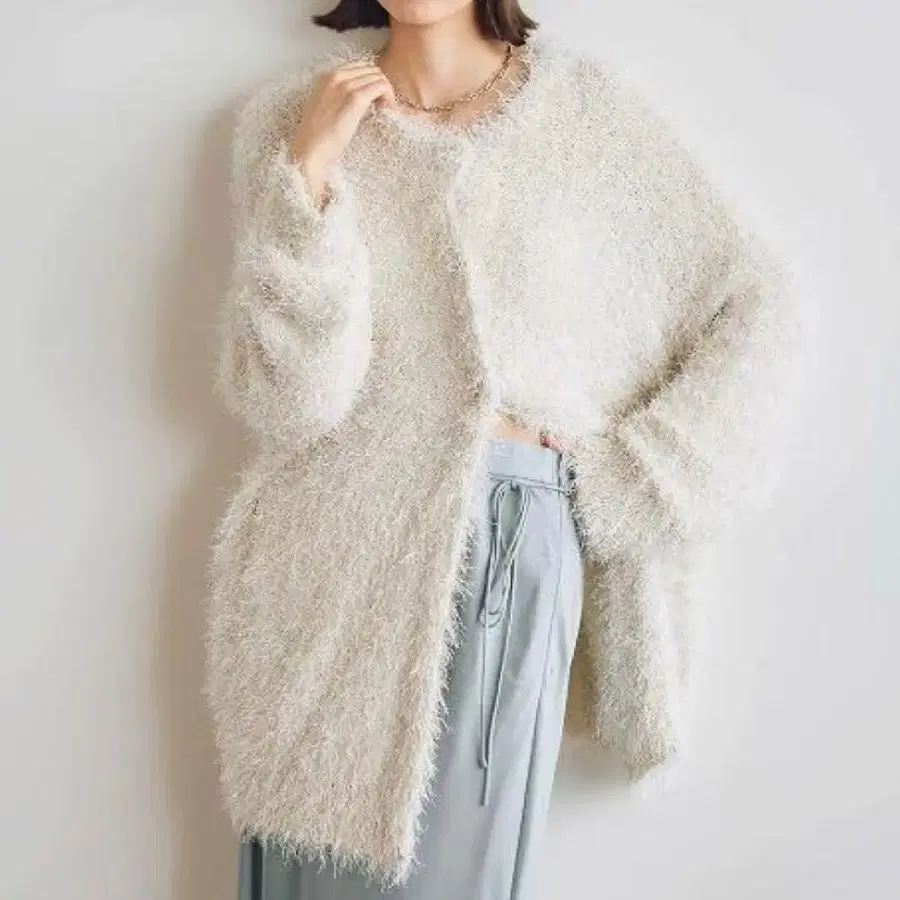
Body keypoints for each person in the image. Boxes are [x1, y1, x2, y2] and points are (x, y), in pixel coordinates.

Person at [204, 1, 802, 899]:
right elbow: (289, 403)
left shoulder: (588, 115)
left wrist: (631, 479)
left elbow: (756, 301)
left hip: (509, 542)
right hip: (321, 573)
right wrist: (311, 172)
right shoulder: (291, 119)